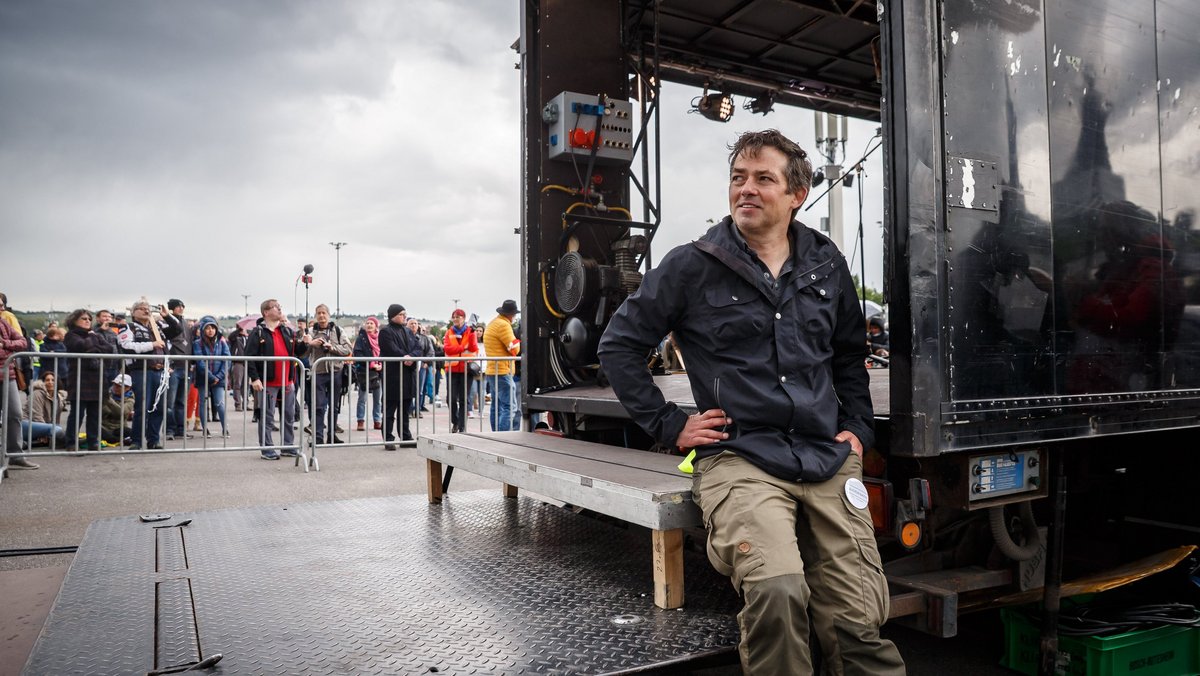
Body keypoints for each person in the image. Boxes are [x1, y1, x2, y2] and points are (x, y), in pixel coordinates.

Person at [597, 129, 904, 675]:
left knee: (857, 616)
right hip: (741, 456)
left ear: (796, 195)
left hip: (825, 456)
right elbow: (620, 344)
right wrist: (670, 425)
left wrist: (858, 427)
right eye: (739, 178)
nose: (747, 189)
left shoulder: (827, 264)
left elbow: (849, 354)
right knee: (779, 591)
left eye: (764, 179)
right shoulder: (691, 264)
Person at [245, 299, 307, 460]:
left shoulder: (285, 330)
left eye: (280, 307)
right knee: (267, 416)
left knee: (288, 415)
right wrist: (255, 378)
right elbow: (248, 357)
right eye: (275, 307)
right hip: (268, 382)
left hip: (287, 381)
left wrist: (305, 344)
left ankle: (287, 446)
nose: (279, 309)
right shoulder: (258, 332)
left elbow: (295, 352)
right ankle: (267, 448)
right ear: (266, 312)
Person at [118, 299, 181, 450]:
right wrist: (151, 345)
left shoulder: (157, 327)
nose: (146, 311)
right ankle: (136, 440)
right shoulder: (129, 327)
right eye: (141, 308)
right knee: (142, 407)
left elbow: (176, 330)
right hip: (141, 371)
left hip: (160, 371)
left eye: (147, 308)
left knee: (159, 407)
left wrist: (166, 316)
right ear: (133, 313)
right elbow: (127, 347)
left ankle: (153, 439)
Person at [63, 308, 113, 450]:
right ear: (74, 321)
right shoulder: (71, 335)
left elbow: (109, 349)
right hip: (79, 379)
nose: (87, 321)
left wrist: (93, 343)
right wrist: (93, 340)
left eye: (89, 319)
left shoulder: (94, 335)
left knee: (94, 414)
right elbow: (81, 346)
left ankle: (93, 441)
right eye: (84, 319)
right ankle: (71, 442)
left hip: (96, 378)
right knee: (77, 414)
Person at [307, 304, 352, 444]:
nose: (321, 316)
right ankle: (318, 436)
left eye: (324, 313)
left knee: (334, 406)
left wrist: (331, 348)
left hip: (335, 372)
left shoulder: (338, 330)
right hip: (318, 372)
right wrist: (310, 344)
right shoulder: (310, 332)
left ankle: (332, 435)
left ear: (328, 314)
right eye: (318, 313)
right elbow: (301, 352)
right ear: (315, 315)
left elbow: (348, 349)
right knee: (319, 406)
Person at [378, 304, 418, 450]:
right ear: (393, 315)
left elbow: (417, 348)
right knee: (390, 409)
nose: (404, 316)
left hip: (407, 375)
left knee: (405, 409)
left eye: (405, 314)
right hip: (393, 376)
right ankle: (388, 438)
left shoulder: (408, 331)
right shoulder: (385, 332)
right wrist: (404, 357)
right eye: (401, 314)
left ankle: (405, 437)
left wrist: (411, 357)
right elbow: (390, 349)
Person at [0, 314, 37, 468]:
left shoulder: (3, 322)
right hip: (7, 372)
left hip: (8, 375)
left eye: (2, 306)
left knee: (15, 413)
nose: (2, 309)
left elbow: (23, 342)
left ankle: (15, 454)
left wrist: (5, 344)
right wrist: (8, 350)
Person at [483, 300, 521, 432]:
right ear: (511, 314)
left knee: (496, 406)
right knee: (510, 407)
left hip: (492, 370)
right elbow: (514, 348)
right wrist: (518, 341)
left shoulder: (493, 323)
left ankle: (496, 435)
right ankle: (503, 436)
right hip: (503, 371)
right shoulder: (504, 325)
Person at [192, 316, 230, 438]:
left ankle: (225, 429)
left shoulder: (222, 343)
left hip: (219, 379)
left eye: (213, 328)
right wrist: (211, 377)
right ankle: (204, 429)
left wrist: (218, 376)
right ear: (203, 330)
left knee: (220, 404)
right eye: (207, 328)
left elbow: (227, 360)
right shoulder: (197, 343)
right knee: (203, 404)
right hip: (204, 378)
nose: (210, 330)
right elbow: (200, 362)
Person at [442, 309, 478, 433]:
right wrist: (463, 347)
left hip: (466, 369)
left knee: (464, 398)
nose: (456, 319)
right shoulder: (449, 332)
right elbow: (447, 349)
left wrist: (472, 335)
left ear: (464, 318)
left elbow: (473, 348)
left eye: (458, 317)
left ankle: (462, 426)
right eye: (454, 317)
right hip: (452, 369)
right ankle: (455, 421)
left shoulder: (470, 332)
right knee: (450, 399)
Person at [163, 299, 191, 441]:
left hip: (185, 366)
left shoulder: (185, 323)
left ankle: (181, 429)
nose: (181, 308)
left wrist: (191, 362)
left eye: (182, 306)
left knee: (181, 402)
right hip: (173, 367)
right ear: (172, 309)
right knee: (170, 403)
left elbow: (189, 343)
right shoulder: (166, 321)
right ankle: (169, 430)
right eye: (178, 306)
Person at [352, 317, 384, 432]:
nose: (369, 325)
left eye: (372, 323)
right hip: (364, 371)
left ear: (376, 326)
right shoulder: (361, 338)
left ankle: (377, 420)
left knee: (377, 398)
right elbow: (358, 353)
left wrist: (381, 364)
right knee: (362, 398)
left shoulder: (381, 338)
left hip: (379, 372)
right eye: (368, 323)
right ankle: (360, 420)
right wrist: (371, 364)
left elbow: (384, 352)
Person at [22, 371, 67, 448]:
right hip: (25, 425)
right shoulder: (37, 393)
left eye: (53, 380)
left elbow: (55, 420)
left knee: (58, 429)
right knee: (56, 429)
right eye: (47, 380)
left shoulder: (58, 398)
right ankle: (72, 442)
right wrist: (43, 433)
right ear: (43, 382)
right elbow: (36, 415)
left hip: (43, 428)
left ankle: (71, 441)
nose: (50, 382)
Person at [101, 374, 135, 445]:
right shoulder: (107, 395)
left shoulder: (130, 400)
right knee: (97, 430)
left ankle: (117, 440)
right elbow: (101, 411)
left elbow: (122, 412)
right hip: (104, 427)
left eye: (119, 386)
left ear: (127, 388)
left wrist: (109, 401)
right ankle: (121, 440)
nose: (116, 388)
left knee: (134, 432)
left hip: (118, 428)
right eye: (115, 385)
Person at [227, 325, 248, 412]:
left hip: (247, 363)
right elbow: (230, 337)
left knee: (246, 385)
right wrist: (239, 329)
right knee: (237, 384)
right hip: (238, 362)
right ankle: (238, 404)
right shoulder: (235, 338)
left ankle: (245, 404)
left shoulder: (247, 338)